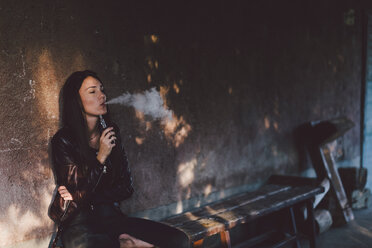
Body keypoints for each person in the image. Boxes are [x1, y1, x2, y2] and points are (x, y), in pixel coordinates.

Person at [50, 70, 188, 248]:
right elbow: (77, 195)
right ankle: (127, 243)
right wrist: (101, 157)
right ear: (75, 101)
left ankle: (127, 242)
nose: (102, 96)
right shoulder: (64, 141)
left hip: (112, 218)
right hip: (80, 225)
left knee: (179, 241)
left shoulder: (110, 132)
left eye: (102, 90)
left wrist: (86, 197)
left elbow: (126, 188)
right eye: (92, 91)